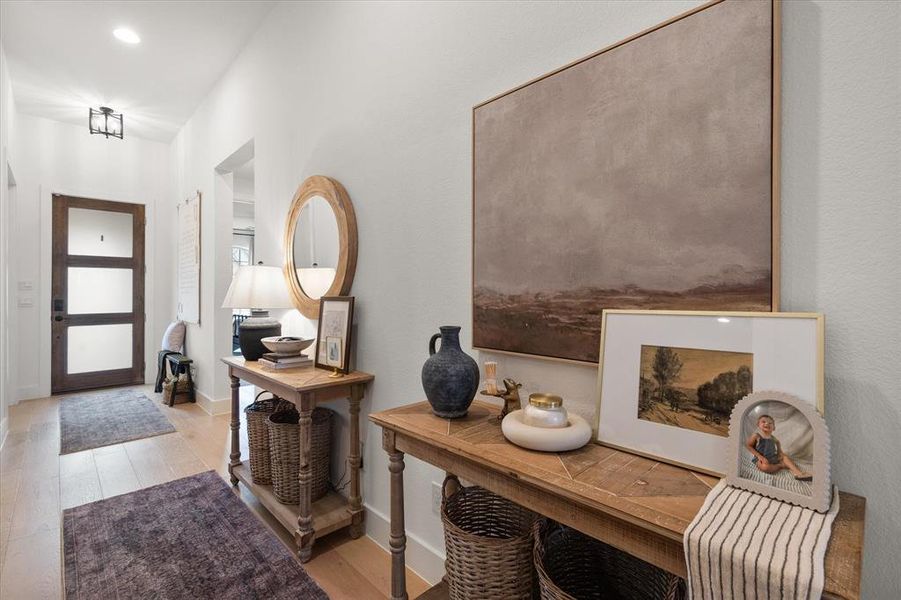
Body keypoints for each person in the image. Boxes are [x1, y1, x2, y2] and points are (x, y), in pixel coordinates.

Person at [745, 414, 813, 481]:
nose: (767, 424)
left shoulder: (773, 439)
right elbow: (748, 446)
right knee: (765, 468)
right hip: (761, 459)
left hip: (772, 457)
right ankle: (780, 466)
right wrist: (760, 456)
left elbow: (779, 447)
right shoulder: (756, 436)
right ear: (758, 425)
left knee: (785, 457)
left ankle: (799, 473)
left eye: (770, 423)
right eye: (763, 422)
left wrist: (780, 454)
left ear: (774, 428)